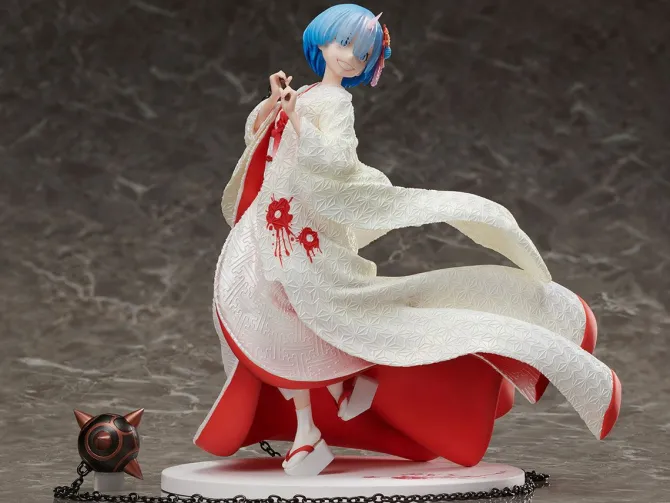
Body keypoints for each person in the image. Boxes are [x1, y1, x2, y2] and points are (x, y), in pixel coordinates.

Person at [194, 3, 621, 477]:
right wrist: (273, 104)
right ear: (322, 40)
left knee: (294, 322)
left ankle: (314, 427)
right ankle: (335, 403)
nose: (349, 57)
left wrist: (297, 122)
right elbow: (260, 139)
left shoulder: (336, 103)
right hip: (277, 225)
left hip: (299, 234)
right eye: (344, 44)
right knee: (266, 320)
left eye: (362, 53)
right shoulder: (310, 93)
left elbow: (336, 161)